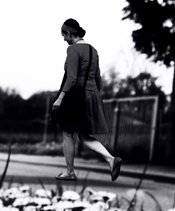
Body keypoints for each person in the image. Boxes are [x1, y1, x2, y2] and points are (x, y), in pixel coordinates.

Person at [51, 18, 122, 182]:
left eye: (64, 35)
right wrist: (96, 97)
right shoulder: (93, 50)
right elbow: (98, 77)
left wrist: (60, 98)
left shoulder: (73, 50)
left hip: (75, 96)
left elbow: (72, 78)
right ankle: (111, 159)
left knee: (67, 132)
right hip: (91, 95)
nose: (63, 39)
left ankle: (70, 172)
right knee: (83, 134)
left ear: (69, 33)